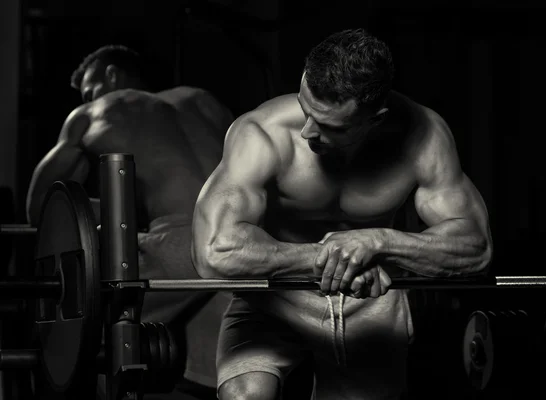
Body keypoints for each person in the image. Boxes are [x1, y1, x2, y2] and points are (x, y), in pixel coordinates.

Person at [192, 28, 493, 400]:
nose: (306, 132)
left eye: (330, 126)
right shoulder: (262, 134)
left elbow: (475, 247)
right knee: (244, 396)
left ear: (374, 119)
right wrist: (331, 257)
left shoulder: (424, 137)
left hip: (369, 303)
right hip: (276, 293)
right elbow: (214, 252)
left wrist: (378, 241)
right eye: (306, 111)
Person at [26, 44, 234, 397]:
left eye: (89, 89)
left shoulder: (92, 113)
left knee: (90, 342)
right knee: (222, 374)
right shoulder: (202, 100)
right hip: (240, 240)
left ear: (111, 74)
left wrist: (104, 223)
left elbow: (42, 209)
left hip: (180, 245)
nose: (87, 98)